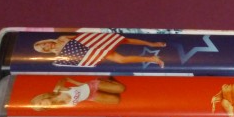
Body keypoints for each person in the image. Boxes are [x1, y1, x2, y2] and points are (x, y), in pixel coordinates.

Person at [32, 32, 165, 68]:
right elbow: (78, 59)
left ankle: (152, 44)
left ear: (45, 41)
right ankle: (152, 58)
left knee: (125, 40)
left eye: (43, 44)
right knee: (121, 60)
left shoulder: (61, 38)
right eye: (43, 48)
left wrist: (101, 38)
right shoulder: (58, 57)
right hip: (94, 52)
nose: (46, 46)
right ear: (45, 51)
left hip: (95, 42)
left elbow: (82, 37)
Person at [29, 77, 126, 109]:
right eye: (42, 107)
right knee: (116, 101)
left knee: (121, 89)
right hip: (91, 97)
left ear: (42, 98)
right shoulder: (60, 106)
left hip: (90, 86)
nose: (44, 105)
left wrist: (78, 83)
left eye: (40, 103)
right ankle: (107, 88)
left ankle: (102, 79)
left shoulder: (57, 90)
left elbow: (65, 78)